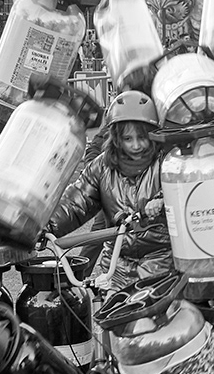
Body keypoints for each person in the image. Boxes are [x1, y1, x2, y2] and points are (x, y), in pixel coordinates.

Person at [47, 90, 171, 292]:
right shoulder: (102, 166)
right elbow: (76, 202)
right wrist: (45, 227)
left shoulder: (166, 161)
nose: (136, 145)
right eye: (128, 139)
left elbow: (180, 189)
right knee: (108, 316)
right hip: (116, 266)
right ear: (116, 138)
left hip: (161, 264)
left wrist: (162, 199)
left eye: (142, 137)